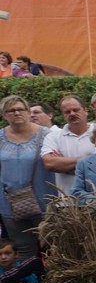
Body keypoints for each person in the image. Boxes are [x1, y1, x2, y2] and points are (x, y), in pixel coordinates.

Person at [0, 96, 54, 258]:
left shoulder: (47, 135)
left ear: (28, 112)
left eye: (20, 109)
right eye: (11, 110)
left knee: (52, 248)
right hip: (10, 205)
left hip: (45, 204)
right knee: (24, 250)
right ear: (3, 115)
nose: (16, 113)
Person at [42, 95, 96, 194]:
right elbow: (50, 163)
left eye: (76, 110)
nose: (72, 114)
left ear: (85, 111)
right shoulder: (53, 137)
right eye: (67, 112)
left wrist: (64, 164)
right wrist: (91, 159)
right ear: (63, 115)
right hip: (67, 202)